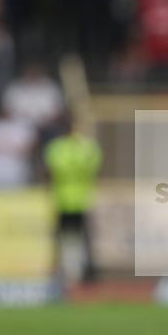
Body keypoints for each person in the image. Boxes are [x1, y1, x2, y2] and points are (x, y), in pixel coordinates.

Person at [43, 114, 102, 283]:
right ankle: (89, 271)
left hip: (62, 198)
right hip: (82, 197)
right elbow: (96, 171)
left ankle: (58, 270)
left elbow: (49, 172)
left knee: (61, 237)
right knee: (84, 237)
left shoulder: (56, 148)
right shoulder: (88, 148)